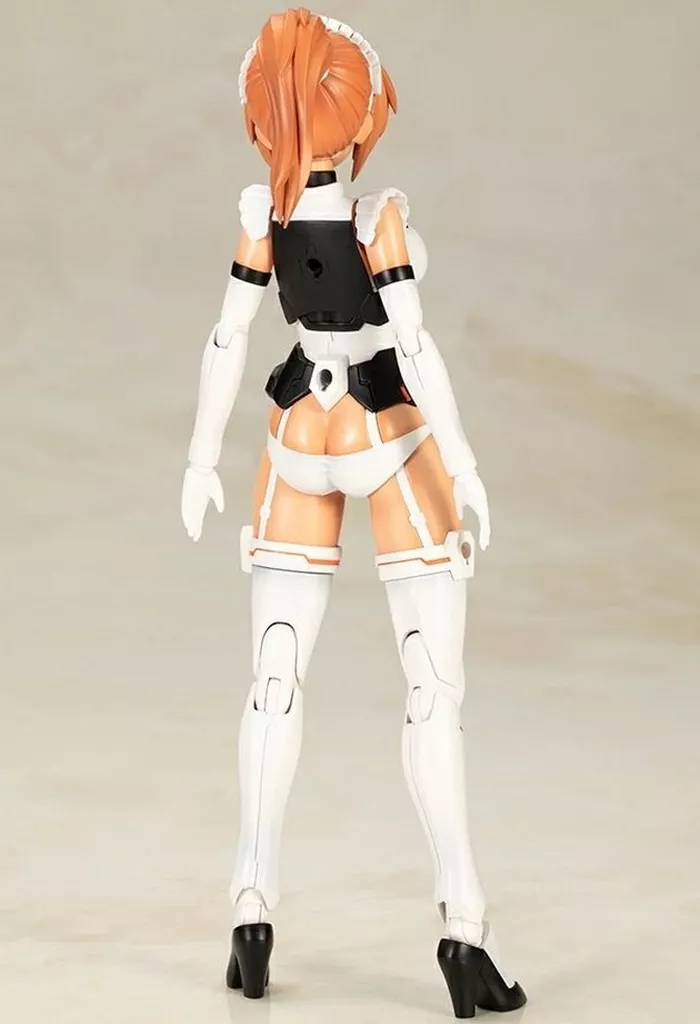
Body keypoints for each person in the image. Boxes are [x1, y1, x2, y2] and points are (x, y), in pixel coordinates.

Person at [181, 8, 526, 1018]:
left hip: (298, 433)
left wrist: (202, 454)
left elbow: (227, 335)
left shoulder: (264, 214)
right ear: (365, 116)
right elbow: (413, 346)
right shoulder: (380, 220)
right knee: (431, 690)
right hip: (386, 434)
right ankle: (463, 928)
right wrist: (464, 461)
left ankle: (250, 909)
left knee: (273, 678)